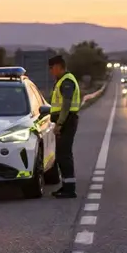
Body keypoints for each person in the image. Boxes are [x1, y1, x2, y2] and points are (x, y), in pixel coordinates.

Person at [47, 55, 81, 198]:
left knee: (64, 155)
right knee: (61, 155)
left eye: (52, 68)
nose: (50, 71)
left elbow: (66, 105)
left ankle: (70, 189)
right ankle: (66, 185)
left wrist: (59, 124)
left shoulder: (67, 81)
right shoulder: (61, 81)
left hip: (67, 121)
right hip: (65, 121)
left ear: (59, 66)